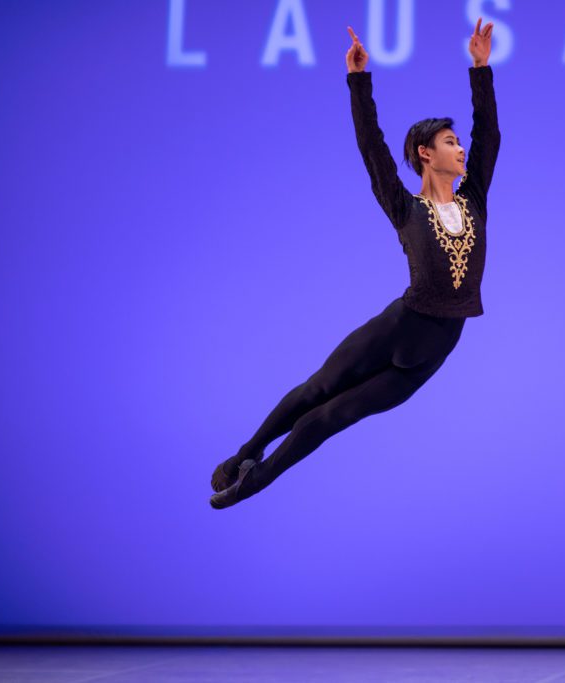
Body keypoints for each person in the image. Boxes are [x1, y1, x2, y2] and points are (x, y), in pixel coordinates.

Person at [210, 18, 500, 509]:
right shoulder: (404, 206)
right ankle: (246, 454)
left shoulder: (474, 200)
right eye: (451, 141)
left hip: (437, 346)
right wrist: (359, 81)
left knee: (328, 420)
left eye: (459, 141)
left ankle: (253, 484)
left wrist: (481, 69)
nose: (462, 147)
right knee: (316, 391)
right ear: (425, 154)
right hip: (400, 325)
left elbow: (489, 135)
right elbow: (373, 150)